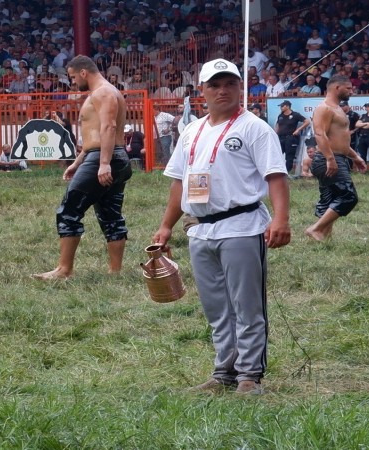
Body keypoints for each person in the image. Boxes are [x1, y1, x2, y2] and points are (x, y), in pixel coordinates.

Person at [152, 58, 291, 395]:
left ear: (240, 87)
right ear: (202, 91)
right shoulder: (191, 131)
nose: (222, 90)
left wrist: (281, 218)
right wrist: (165, 227)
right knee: (216, 308)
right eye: (214, 85)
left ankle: (248, 377)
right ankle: (223, 373)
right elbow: (178, 183)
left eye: (230, 83)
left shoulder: (254, 128)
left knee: (246, 305)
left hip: (241, 226)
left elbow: (275, 176)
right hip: (199, 229)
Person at [32, 55, 132, 280]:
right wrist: (78, 163)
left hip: (105, 158)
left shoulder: (103, 92)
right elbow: (96, 134)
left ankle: (64, 270)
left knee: (68, 211)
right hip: (107, 157)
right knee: (110, 214)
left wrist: (104, 163)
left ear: (84, 72)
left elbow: (109, 127)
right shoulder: (105, 92)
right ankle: (115, 273)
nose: (73, 82)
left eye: (73, 77)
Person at [305, 75, 367, 241]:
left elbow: (341, 140)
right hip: (328, 158)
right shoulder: (324, 108)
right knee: (348, 196)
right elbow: (320, 134)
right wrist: (330, 159)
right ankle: (316, 229)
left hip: (336, 157)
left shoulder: (338, 109)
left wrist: (356, 157)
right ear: (336, 88)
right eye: (348, 88)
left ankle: (325, 237)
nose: (351, 91)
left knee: (330, 198)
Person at [275, 100, 311, 174]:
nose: (281, 108)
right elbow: (278, 126)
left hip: (290, 137)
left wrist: (298, 130)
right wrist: (275, 135)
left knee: (289, 155)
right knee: (277, 154)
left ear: (287, 106)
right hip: (280, 137)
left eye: (282, 106)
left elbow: (307, 121)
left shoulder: (295, 115)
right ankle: (278, 170)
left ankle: (287, 171)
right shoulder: (280, 116)